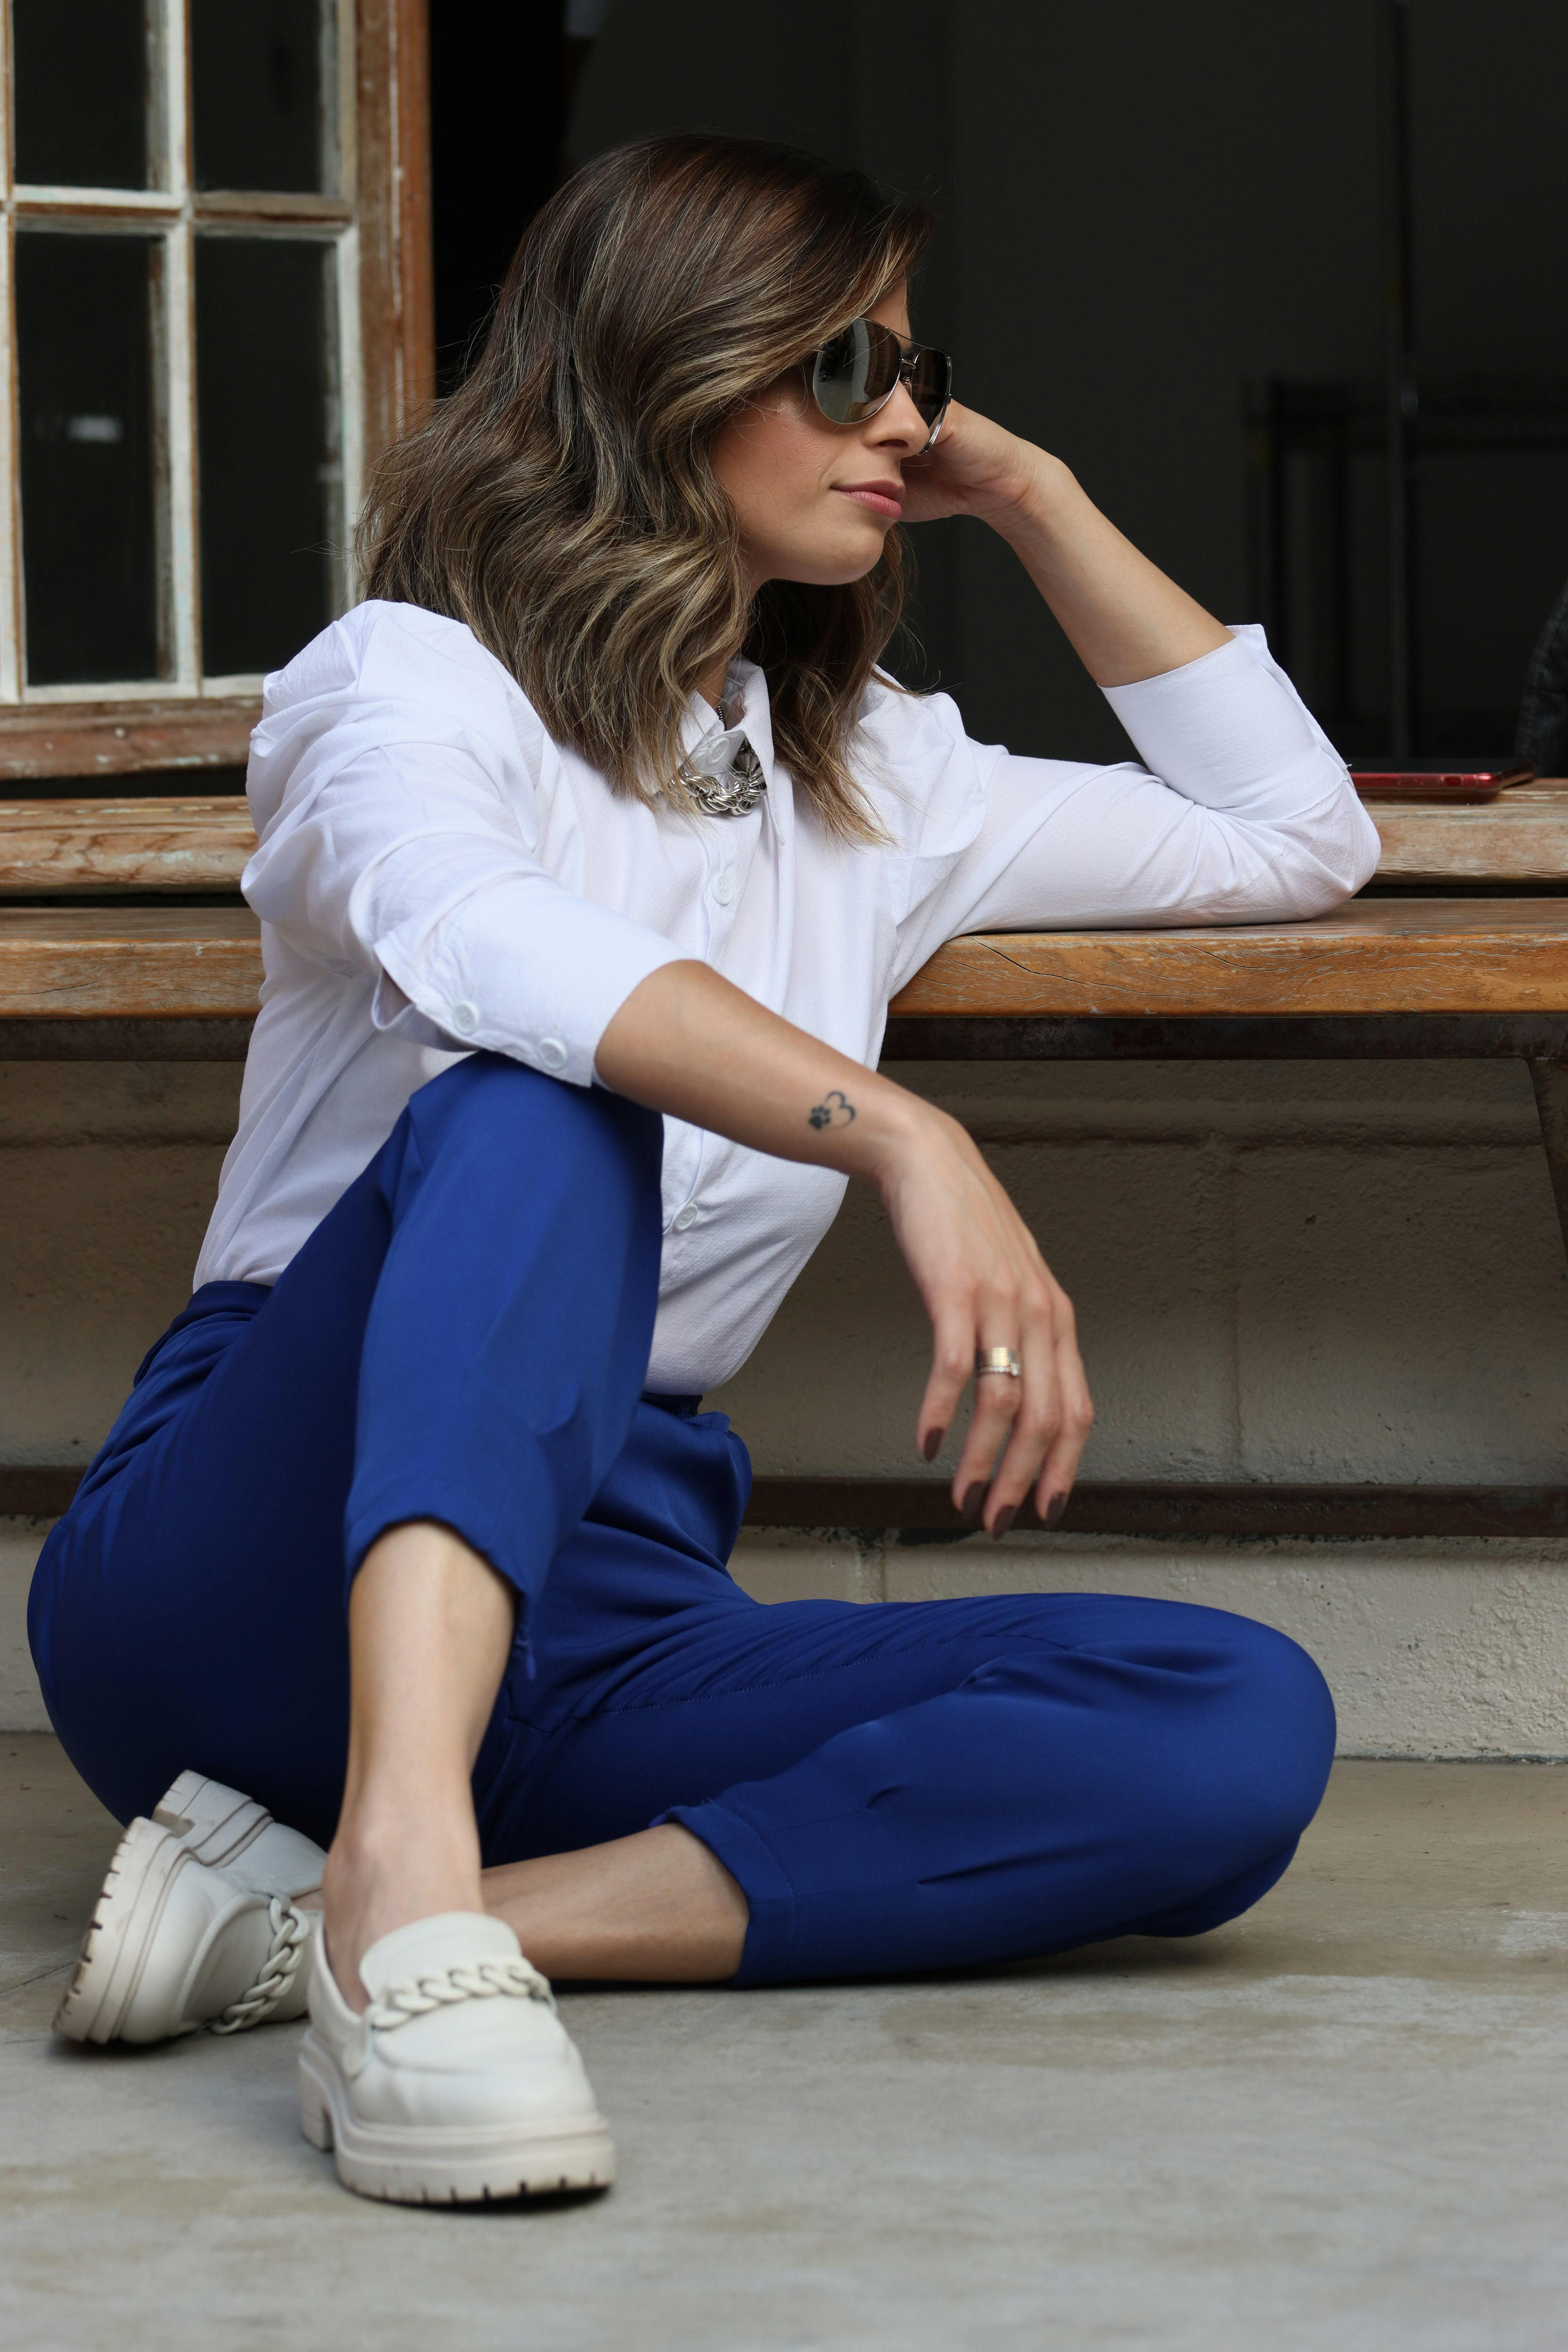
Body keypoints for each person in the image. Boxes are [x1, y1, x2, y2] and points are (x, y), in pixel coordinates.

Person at [29, 134, 1378, 2206]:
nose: (907, 419)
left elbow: (1299, 839)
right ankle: (397, 1905)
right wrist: (902, 1132)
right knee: (546, 1094)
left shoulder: (870, 780)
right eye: (846, 365)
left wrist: (1030, 494)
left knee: (1229, 1720)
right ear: (671, 371)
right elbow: (494, 951)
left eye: (925, 373)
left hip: (610, 1596)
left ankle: (352, 1920)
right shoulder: (406, 685)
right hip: (256, 1557)